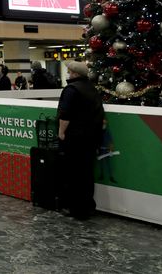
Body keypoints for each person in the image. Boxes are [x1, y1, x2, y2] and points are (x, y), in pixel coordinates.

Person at [57, 60, 104, 220]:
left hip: (75, 138)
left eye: (70, 72)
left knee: (73, 174)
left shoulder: (71, 89)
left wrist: (61, 133)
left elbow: (65, 115)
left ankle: (76, 209)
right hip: (91, 138)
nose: (68, 74)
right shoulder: (92, 88)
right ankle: (88, 206)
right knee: (87, 173)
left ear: (75, 74)